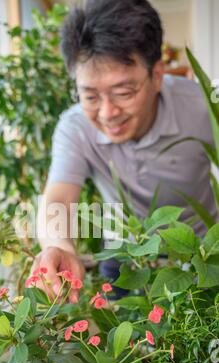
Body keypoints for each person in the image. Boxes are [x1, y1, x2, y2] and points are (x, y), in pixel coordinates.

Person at [32, 0, 216, 303]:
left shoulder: (201, 107)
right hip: (124, 260)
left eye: (123, 92)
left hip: (200, 256)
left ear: (156, 75)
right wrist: (59, 247)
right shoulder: (75, 126)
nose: (107, 113)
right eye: (89, 95)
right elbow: (59, 199)